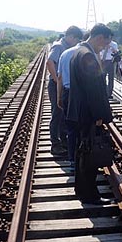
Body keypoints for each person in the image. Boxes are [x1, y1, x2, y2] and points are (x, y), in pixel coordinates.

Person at [66, 23, 115, 205]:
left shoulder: (77, 52)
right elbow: (93, 90)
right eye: (105, 43)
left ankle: (82, 190)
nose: (104, 47)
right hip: (87, 113)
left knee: (82, 152)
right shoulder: (87, 56)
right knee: (89, 155)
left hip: (79, 112)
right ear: (99, 37)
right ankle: (90, 195)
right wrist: (99, 115)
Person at [46, 26, 84, 156]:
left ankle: (63, 142)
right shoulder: (58, 46)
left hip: (63, 84)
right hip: (56, 84)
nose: (77, 42)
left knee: (63, 114)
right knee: (57, 113)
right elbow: (50, 62)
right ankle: (55, 145)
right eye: (76, 39)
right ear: (71, 36)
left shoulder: (67, 47)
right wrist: (58, 81)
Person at [57, 31, 89, 169]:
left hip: (67, 93)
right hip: (82, 94)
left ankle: (72, 160)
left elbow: (59, 78)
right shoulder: (86, 53)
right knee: (85, 127)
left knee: (71, 129)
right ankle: (85, 158)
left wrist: (59, 97)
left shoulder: (65, 53)